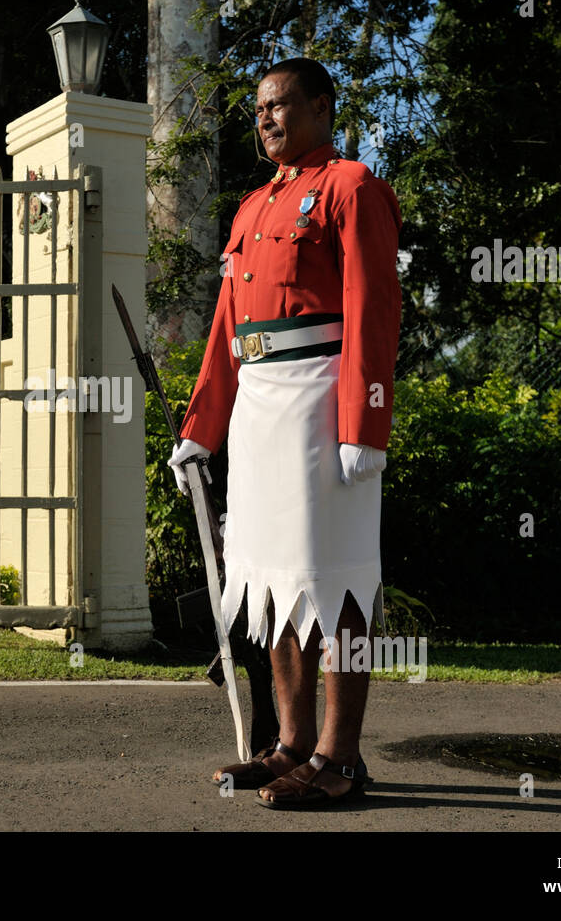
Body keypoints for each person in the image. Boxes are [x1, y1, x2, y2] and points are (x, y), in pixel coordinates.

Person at [168, 57, 401, 808]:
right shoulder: (251, 208)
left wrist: (363, 421)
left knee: (335, 584)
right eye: (259, 110)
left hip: (322, 400)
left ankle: (340, 756)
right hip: (258, 407)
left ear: (323, 107)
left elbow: (374, 307)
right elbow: (229, 330)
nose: (266, 119)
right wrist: (202, 427)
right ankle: (291, 744)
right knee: (272, 583)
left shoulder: (351, 186)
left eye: (280, 106)